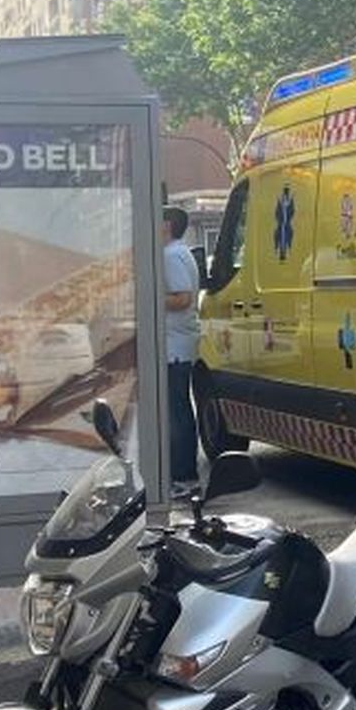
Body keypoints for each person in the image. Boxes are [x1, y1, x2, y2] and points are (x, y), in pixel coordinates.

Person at [161, 206, 202, 497]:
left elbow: (182, 298)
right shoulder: (180, 252)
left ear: (167, 225)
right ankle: (183, 475)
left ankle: (184, 477)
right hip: (180, 343)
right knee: (180, 409)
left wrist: (148, 295)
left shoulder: (170, 255)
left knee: (177, 412)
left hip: (174, 346)